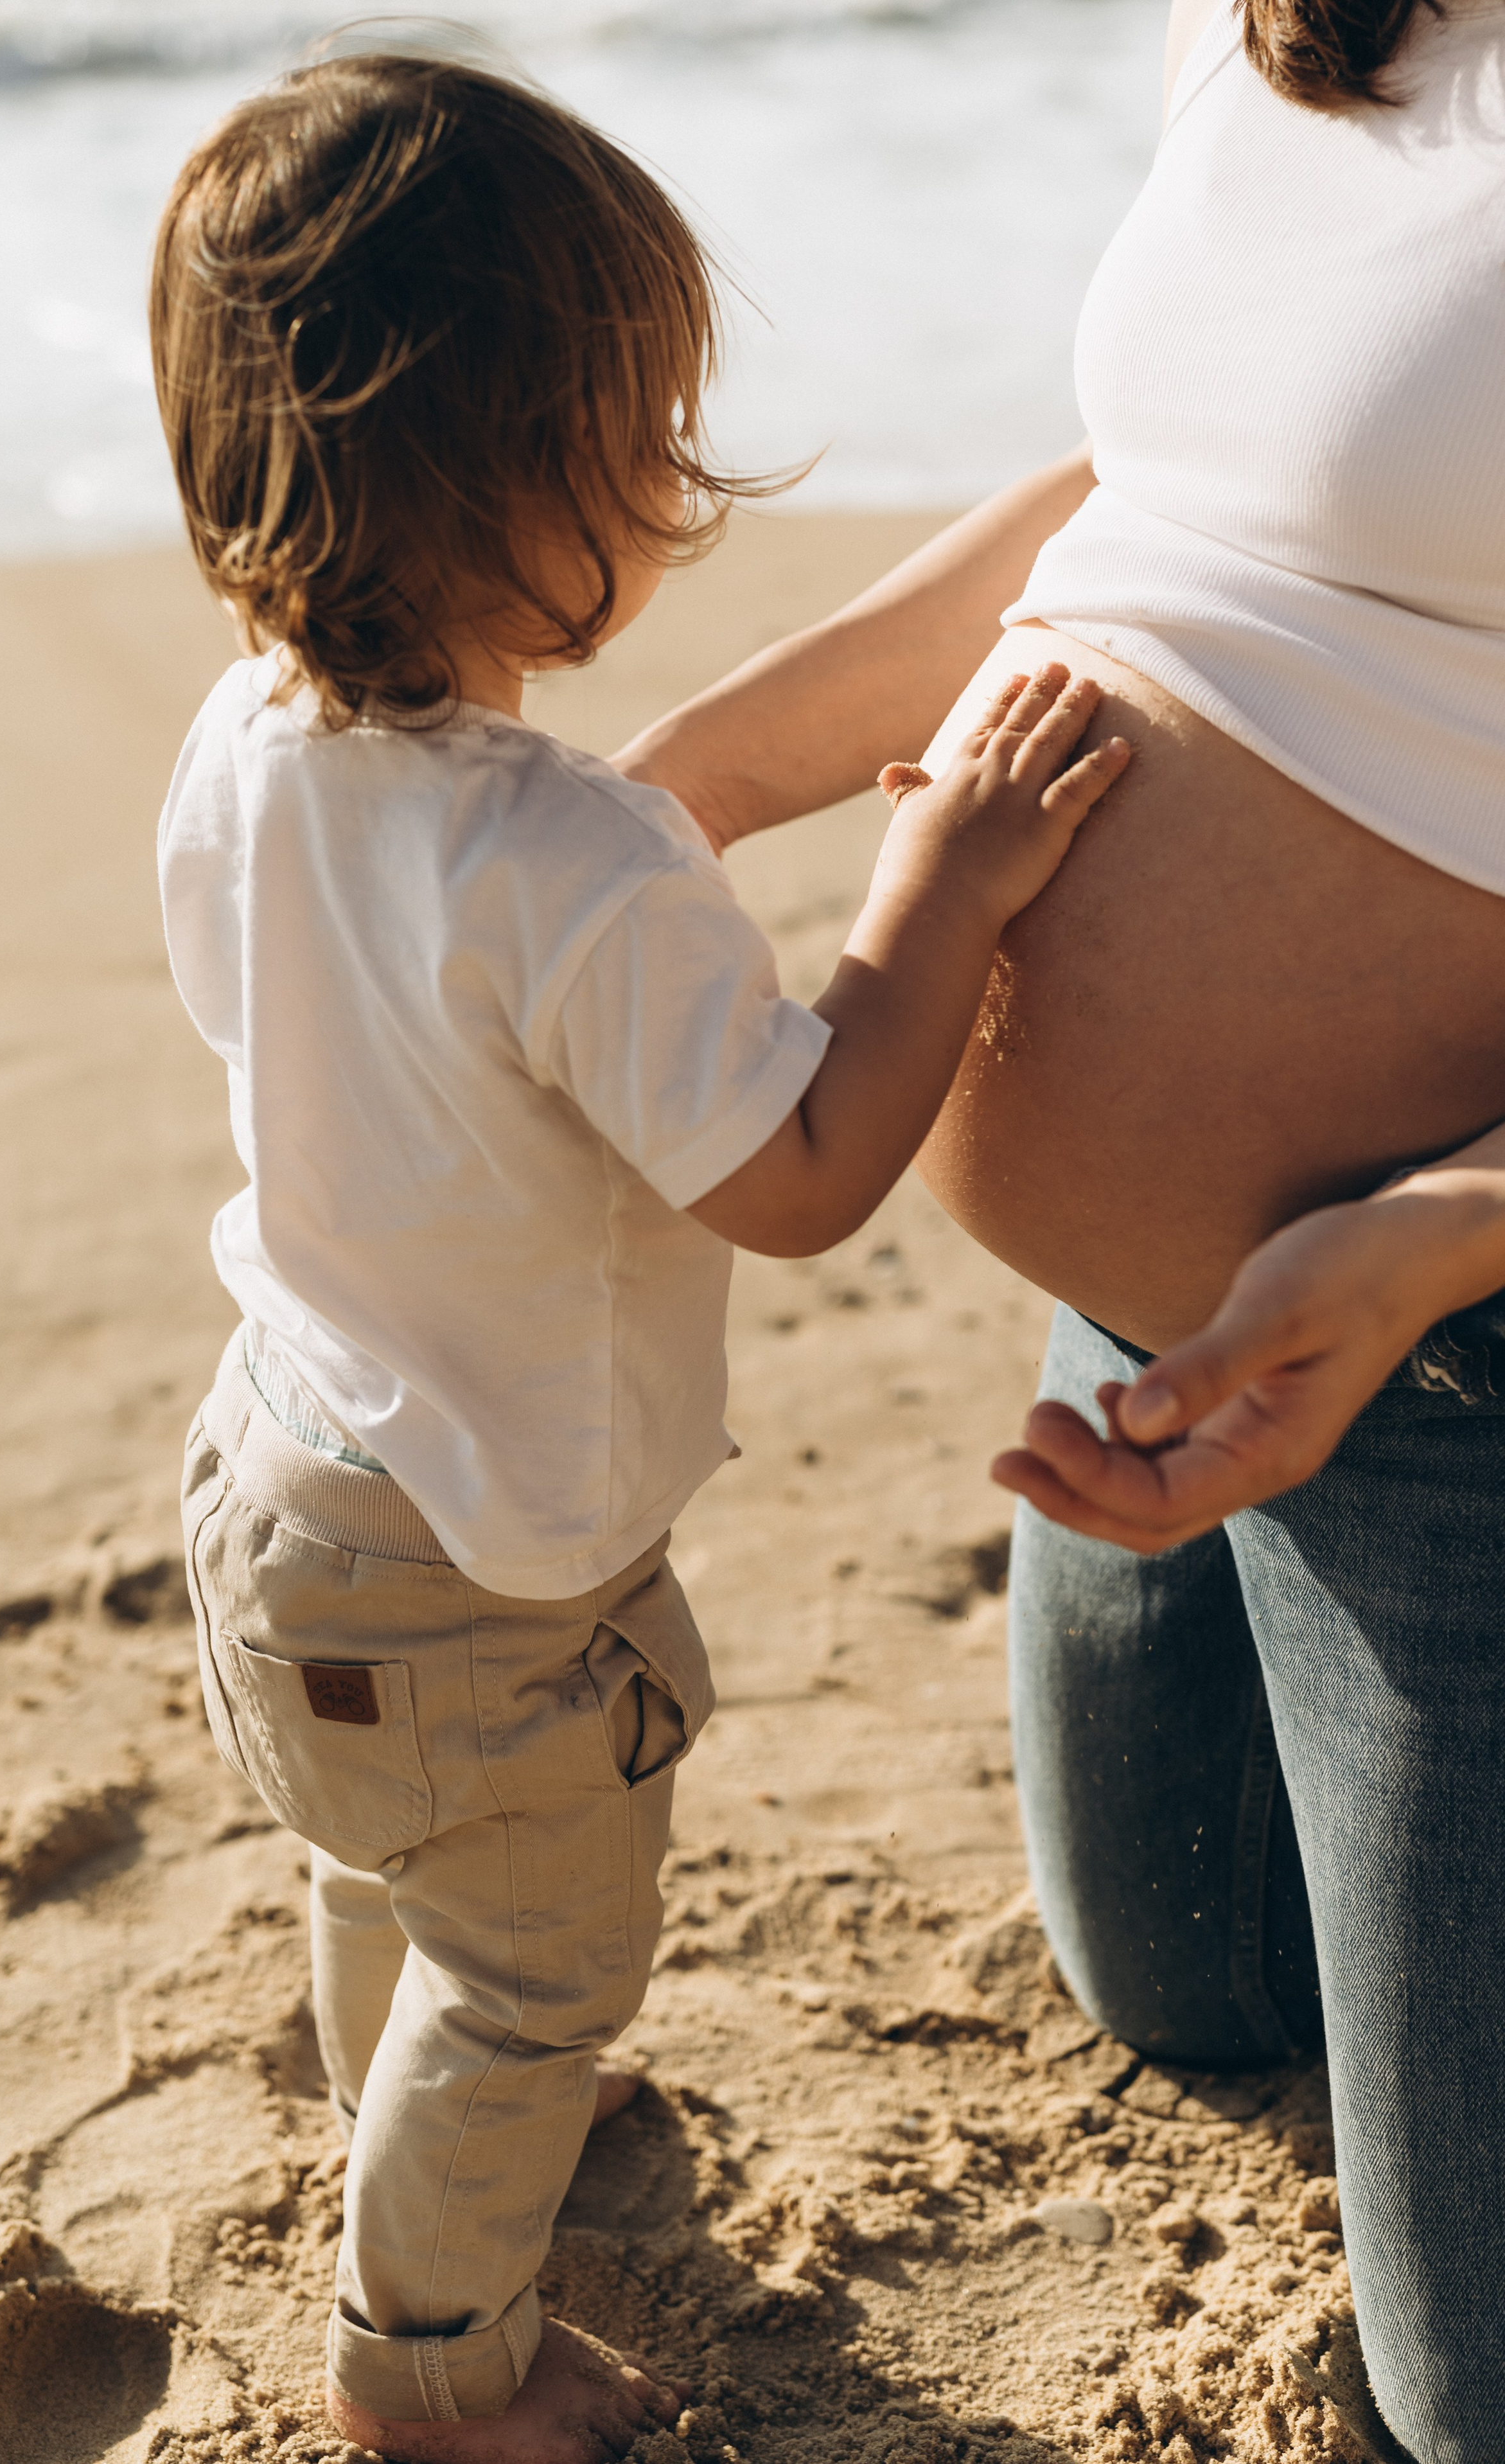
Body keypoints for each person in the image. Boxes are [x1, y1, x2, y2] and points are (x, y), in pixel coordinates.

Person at [149, 50, 1128, 2464]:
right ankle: (429, 2364)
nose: (674, 482)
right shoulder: (575, 861)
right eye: (641, 432)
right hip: (482, 1575)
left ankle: (403, 2089)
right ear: (525, 477)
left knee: (382, 1862)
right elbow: (795, 1171)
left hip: (282, 1474)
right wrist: (942, 893)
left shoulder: (238, 743)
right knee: (538, 1952)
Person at [615, 1, 1505, 2453]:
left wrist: (1437, 1230)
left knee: (1477, 2395)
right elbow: (1149, 498)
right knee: (1182, 1979)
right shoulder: (1295, 24)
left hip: (1444, 1343)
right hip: (1132, 1320)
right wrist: (664, 803)